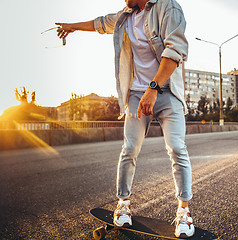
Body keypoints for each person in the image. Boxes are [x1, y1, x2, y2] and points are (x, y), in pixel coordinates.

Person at [56, 0, 194, 238]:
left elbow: (175, 51)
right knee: (129, 148)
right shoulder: (125, 16)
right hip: (136, 95)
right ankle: (123, 204)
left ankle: (184, 212)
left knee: (177, 149)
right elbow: (99, 23)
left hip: (167, 91)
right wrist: (72, 26)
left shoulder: (168, 7)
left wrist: (153, 89)